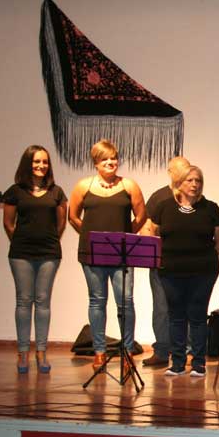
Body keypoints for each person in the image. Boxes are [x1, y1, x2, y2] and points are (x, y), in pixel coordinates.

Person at [67, 139, 147, 371]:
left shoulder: (129, 185)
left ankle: (127, 351)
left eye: (114, 158)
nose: (111, 162)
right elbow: (73, 216)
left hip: (122, 254)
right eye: (105, 159)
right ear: (96, 163)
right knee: (97, 301)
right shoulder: (83, 186)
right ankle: (99, 352)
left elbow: (141, 216)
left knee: (126, 302)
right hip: (92, 254)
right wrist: (89, 235)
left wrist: (125, 236)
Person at [148, 166, 219, 377]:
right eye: (189, 180)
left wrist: (205, 258)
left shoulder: (210, 208)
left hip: (203, 272)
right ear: (179, 183)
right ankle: (178, 363)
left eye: (198, 180)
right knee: (176, 316)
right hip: (171, 272)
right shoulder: (164, 207)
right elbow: (153, 233)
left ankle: (198, 363)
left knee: (198, 315)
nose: (194, 184)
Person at [2, 146, 66, 375]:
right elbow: (8, 223)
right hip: (21, 253)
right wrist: (22, 241)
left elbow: (61, 223)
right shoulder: (15, 191)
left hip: (49, 253)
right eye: (36, 161)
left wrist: (47, 241)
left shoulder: (57, 192)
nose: (41, 166)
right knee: (23, 301)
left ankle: (41, 351)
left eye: (45, 162)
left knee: (43, 301)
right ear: (27, 163)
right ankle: (22, 352)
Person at [140, 156, 190, 369]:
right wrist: (153, 248)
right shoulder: (159, 197)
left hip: (186, 263)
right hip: (161, 263)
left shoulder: (194, 197)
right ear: (170, 172)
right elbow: (146, 227)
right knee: (161, 308)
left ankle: (186, 350)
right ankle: (161, 351)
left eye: (188, 169)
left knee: (185, 307)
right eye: (181, 170)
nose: (186, 174)